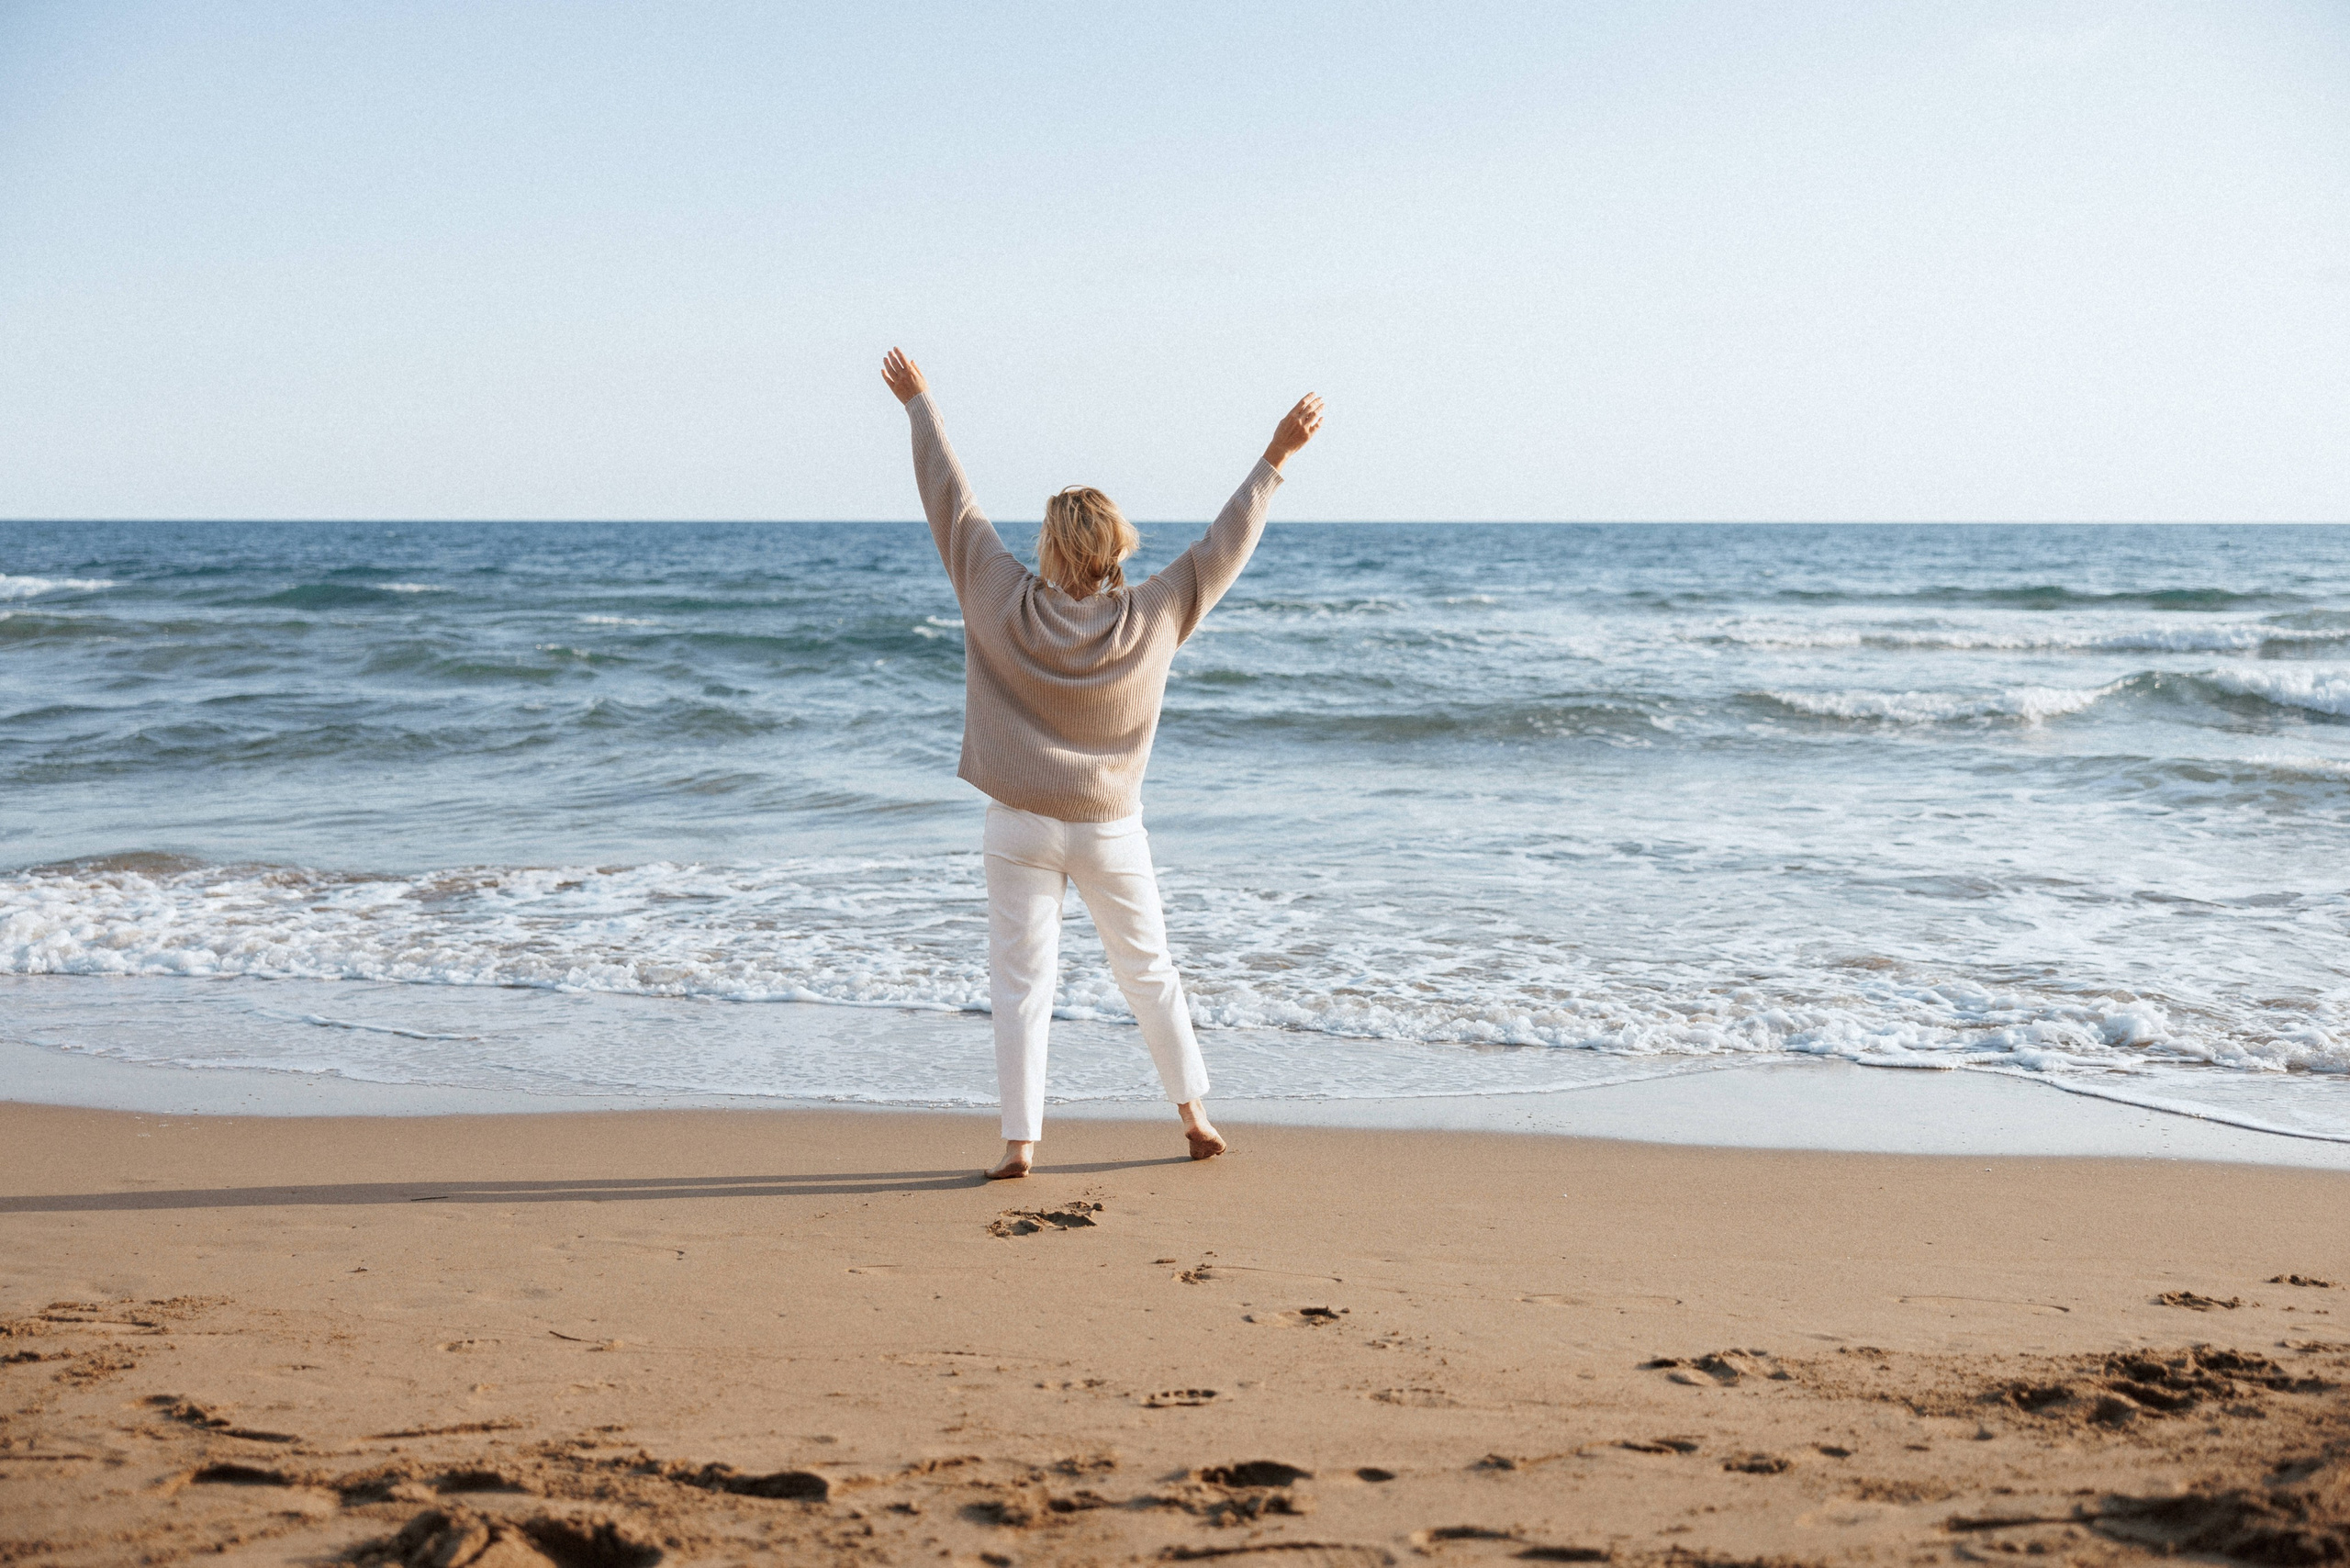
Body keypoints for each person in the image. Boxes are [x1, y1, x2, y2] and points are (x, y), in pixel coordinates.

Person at [879, 347, 1324, 1180]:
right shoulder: (1151, 615)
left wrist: (919, 404)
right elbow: (1224, 546)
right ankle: (1195, 1118)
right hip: (1109, 826)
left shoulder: (996, 593)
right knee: (1148, 972)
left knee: (1020, 985)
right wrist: (1274, 458)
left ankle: (1021, 1144)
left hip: (1017, 822)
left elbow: (952, 500)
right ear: (1116, 545)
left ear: (1049, 547)